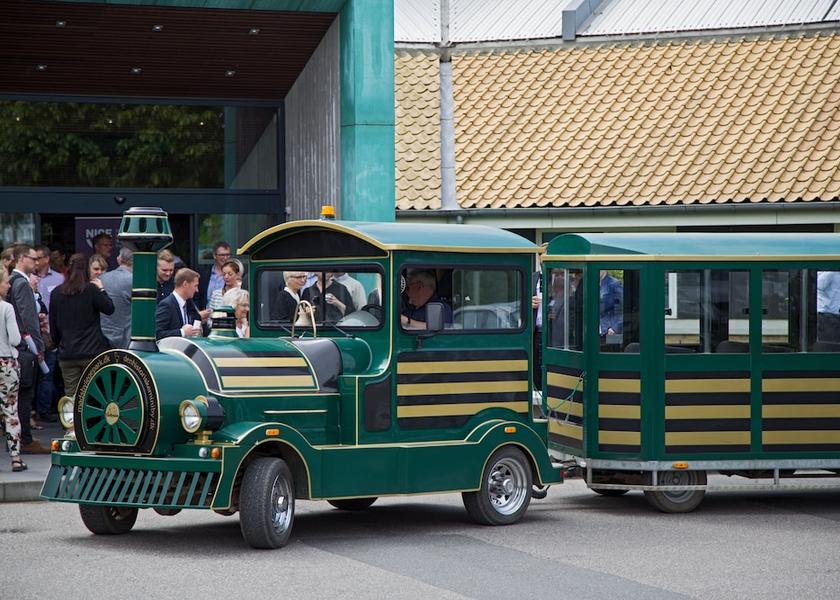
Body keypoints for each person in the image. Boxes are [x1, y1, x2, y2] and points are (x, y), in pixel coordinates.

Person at [49, 253, 115, 403]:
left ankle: (71, 425)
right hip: (91, 352)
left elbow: (53, 326)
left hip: (68, 353)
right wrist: (102, 289)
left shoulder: (56, 293)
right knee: (94, 395)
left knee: (71, 396)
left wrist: (60, 344)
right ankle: (90, 425)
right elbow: (109, 308)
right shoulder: (91, 290)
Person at [7, 245, 48, 454]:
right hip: (24, 346)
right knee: (25, 395)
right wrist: (38, 346)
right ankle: (26, 439)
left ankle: (18, 439)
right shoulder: (21, 283)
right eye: (34, 258)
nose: (37, 262)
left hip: (15, 345)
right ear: (23, 258)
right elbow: (28, 318)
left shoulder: (12, 280)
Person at [0, 270, 26, 471]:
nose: (9, 286)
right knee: (10, 411)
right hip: (6, 364)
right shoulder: (6, 308)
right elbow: (15, 339)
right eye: (6, 282)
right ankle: (16, 458)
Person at [155, 268, 209, 340]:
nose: (197, 290)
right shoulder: (166, 305)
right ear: (185, 284)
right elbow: (157, 333)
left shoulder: (189, 304)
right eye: (195, 286)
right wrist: (182, 332)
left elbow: (195, 320)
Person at [99, 247, 133, 349]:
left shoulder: (101, 278)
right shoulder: (136, 281)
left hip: (101, 338)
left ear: (119, 259)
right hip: (125, 342)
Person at [198, 241, 233, 310]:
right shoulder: (204, 274)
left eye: (228, 255)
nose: (225, 258)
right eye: (222, 255)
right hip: (206, 315)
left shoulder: (234, 275)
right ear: (214, 255)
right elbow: (198, 296)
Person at [817, 271, 840, 342]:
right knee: (831, 344)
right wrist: (826, 303)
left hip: (836, 315)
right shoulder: (830, 274)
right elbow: (816, 287)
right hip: (828, 315)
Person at [599, 270, 623, 336]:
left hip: (610, 331)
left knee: (611, 345)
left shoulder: (615, 284)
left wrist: (615, 328)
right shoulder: (592, 283)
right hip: (597, 329)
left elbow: (622, 308)